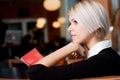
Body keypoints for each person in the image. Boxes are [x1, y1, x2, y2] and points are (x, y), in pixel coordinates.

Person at [25, 0, 120, 80]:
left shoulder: (101, 60)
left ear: (94, 25)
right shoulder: (106, 56)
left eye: (76, 22)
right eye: (70, 23)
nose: (69, 28)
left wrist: (71, 46)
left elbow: (33, 72)